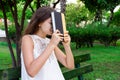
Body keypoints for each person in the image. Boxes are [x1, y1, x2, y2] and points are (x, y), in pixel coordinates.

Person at [21, 6, 74, 80]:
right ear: (39, 23)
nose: (53, 27)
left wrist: (67, 46)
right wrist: (51, 45)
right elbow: (31, 72)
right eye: (51, 23)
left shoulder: (49, 41)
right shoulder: (28, 39)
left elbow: (70, 65)